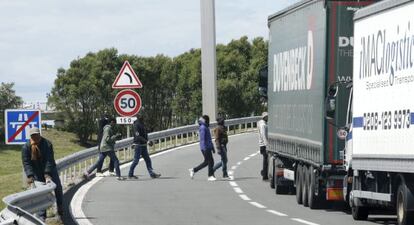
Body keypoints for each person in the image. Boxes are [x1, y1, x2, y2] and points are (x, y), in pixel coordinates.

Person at [21, 127, 64, 220]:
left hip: (50, 170)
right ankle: (42, 217)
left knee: (58, 188)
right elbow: (26, 163)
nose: (36, 137)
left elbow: (50, 160)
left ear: (39, 134)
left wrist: (47, 173)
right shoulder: (26, 147)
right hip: (36, 172)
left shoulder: (47, 144)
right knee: (41, 193)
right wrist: (30, 175)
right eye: (33, 135)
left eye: (37, 134)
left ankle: (60, 208)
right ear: (31, 136)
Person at [128, 115, 161, 179]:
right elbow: (138, 136)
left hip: (143, 145)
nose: (143, 118)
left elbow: (144, 133)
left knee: (148, 160)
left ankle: (152, 174)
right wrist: (147, 141)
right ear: (138, 118)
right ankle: (130, 174)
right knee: (136, 161)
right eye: (141, 117)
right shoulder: (136, 125)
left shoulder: (142, 124)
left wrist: (147, 141)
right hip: (138, 145)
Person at [189, 115, 216, 181]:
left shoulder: (205, 127)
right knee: (210, 161)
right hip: (205, 147)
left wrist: (212, 147)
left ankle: (194, 170)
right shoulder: (203, 127)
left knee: (207, 162)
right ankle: (210, 176)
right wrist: (205, 148)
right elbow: (203, 139)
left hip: (208, 147)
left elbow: (209, 139)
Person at [258, 112, 269, 180]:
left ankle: (264, 173)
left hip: (263, 144)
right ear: (265, 117)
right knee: (265, 160)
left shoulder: (263, 123)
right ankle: (264, 174)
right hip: (263, 145)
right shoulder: (263, 125)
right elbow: (263, 135)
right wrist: (266, 145)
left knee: (266, 160)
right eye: (267, 117)